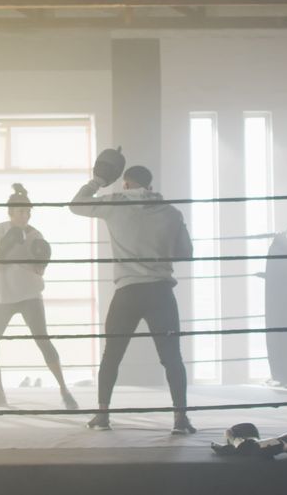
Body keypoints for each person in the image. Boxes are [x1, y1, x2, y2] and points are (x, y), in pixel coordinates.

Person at [70, 164, 196, 434]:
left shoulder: (116, 203)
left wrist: (98, 181)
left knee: (111, 355)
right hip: (161, 291)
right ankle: (180, 420)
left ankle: (102, 416)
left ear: (126, 184)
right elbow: (186, 253)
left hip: (127, 291)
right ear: (149, 186)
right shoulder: (172, 212)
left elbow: (76, 205)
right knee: (172, 357)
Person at [0, 183, 78, 410]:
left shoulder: (36, 235)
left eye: (28, 212)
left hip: (29, 295)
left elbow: (39, 270)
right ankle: (0, 395)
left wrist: (34, 258)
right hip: (2, 297)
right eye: (22, 212)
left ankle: (64, 389)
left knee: (43, 341)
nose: (26, 216)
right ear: (10, 212)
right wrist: (3, 250)